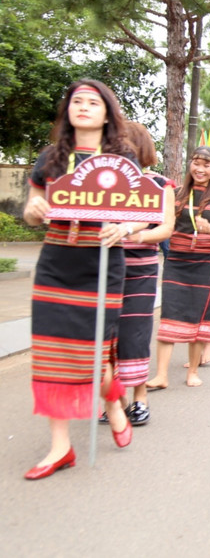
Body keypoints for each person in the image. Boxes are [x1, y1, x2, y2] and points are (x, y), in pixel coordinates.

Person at [21, 79, 137, 479]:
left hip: (102, 264)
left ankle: (114, 400)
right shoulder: (50, 158)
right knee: (52, 352)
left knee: (94, 354)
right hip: (56, 263)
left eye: (93, 102)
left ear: (107, 112)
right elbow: (32, 209)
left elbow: (139, 211)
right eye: (76, 101)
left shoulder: (123, 159)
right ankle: (60, 447)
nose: (83, 107)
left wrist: (124, 227)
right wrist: (34, 211)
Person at [146, 146, 210, 390]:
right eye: (197, 163)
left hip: (205, 264)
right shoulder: (175, 194)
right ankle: (161, 375)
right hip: (176, 261)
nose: (200, 169)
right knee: (170, 315)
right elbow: (163, 224)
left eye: (207, 165)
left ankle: (193, 371)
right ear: (190, 164)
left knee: (199, 318)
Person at [110, 121, 175, 426]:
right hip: (99, 269)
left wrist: (132, 235)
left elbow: (165, 227)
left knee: (134, 333)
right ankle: (114, 399)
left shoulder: (160, 184)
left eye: (126, 141)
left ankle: (139, 399)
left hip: (139, 268)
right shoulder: (101, 181)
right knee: (103, 335)